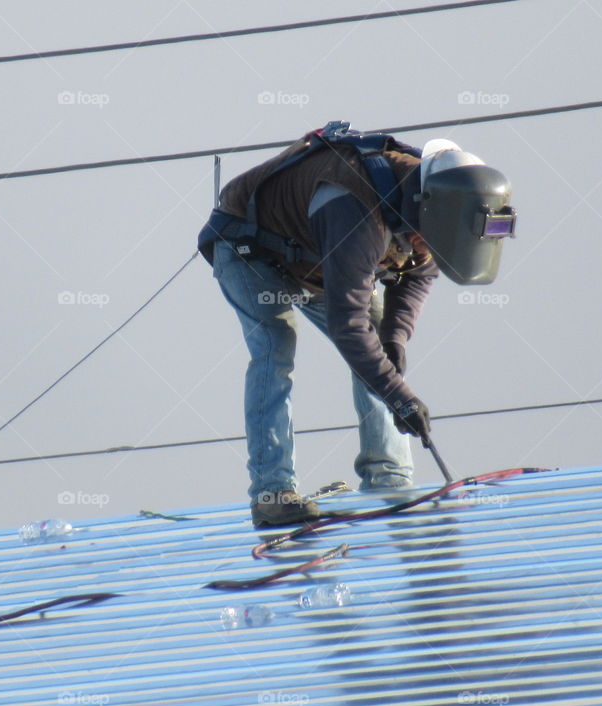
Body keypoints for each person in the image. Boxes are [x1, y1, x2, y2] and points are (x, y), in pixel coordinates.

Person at [198, 122, 515, 527]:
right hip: (251, 246)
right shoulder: (354, 207)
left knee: (380, 349)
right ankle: (272, 494)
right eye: (425, 239)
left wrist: (396, 339)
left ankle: (389, 479)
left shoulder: (447, 214)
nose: (427, 248)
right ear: (425, 208)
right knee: (275, 347)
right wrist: (400, 397)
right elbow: (349, 325)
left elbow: (416, 278)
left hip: (320, 260)